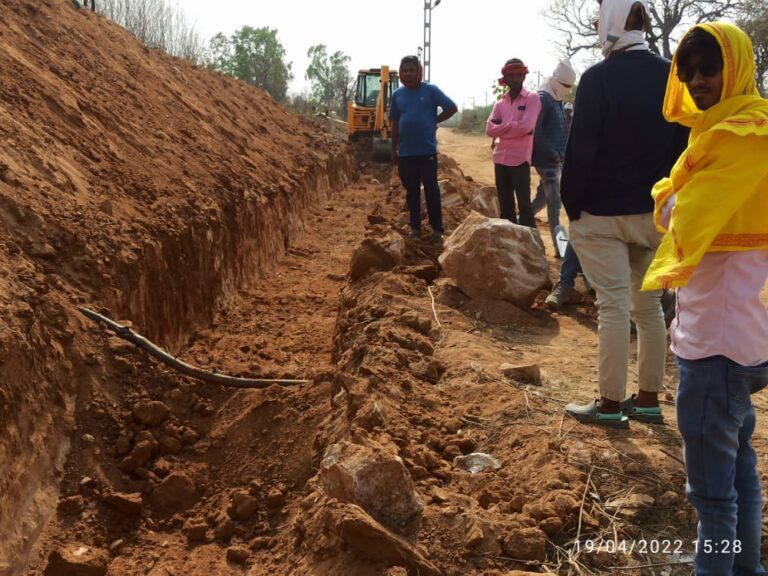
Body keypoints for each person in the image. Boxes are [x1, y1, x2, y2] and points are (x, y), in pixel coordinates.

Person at [642, 22, 768, 575]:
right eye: (686, 70)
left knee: (713, 498)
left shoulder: (741, 138)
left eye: (707, 68)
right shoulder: (728, 135)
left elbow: (682, 215)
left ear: (736, 67)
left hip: (716, 348)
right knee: (738, 467)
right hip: (742, 336)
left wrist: (673, 200)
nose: (696, 81)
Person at [561, 0, 688, 428]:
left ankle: (610, 404)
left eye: (601, 20)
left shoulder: (597, 79)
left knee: (613, 306)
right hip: (653, 213)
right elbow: (681, 148)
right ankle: (649, 399)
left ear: (614, 23)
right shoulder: (671, 74)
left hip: (602, 214)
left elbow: (581, 151)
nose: (598, 26)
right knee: (648, 305)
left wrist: (572, 207)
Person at [390, 55, 458, 240]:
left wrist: (434, 120)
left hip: (427, 151)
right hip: (405, 152)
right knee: (411, 191)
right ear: (400, 73)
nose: (408, 73)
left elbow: (452, 107)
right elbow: (395, 123)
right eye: (405, 70)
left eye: (412, 70)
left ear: (419, 71)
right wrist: (393, 149)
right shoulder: (397, 95)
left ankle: (437, 229)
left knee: (431, 190)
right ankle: (415, 228)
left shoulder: (431, 90)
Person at [486, 59, 541, 227]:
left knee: (524, 206)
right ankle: (510, 245)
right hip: (500, 159)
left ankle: (532, 248)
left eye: (519, 75)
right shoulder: (500, 103)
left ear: (524, 76)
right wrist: (511, 126)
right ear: (506, 78)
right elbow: (489, 129)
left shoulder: (532, 99)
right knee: (506, 205)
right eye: (511, 75)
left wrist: (502, 129)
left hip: (520, 159)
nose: (515, 78)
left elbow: (526, 127)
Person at [531, 59, 577, 252]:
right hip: (547, 161)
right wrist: (552, 153)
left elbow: (557, 130)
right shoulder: (543, 98)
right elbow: (536, 130)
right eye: (565, 85)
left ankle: (517, 224)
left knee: (540, 201)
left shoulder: (556, 99)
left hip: (556, 160)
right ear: (557, 80)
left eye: (569, 86)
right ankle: (561, 249)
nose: (567, 89)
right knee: (554, 206)